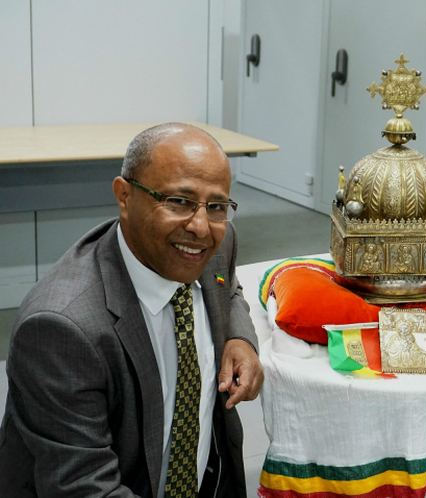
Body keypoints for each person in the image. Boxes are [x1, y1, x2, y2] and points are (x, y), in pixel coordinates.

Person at [0, 123, 265, 497]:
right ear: (124, 196)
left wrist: (240, 339)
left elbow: (229, 288)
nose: (201, 227)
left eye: (217, 206)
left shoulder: (215, 244)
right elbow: (85, 487)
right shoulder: (61, 331)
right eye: (178, 201)